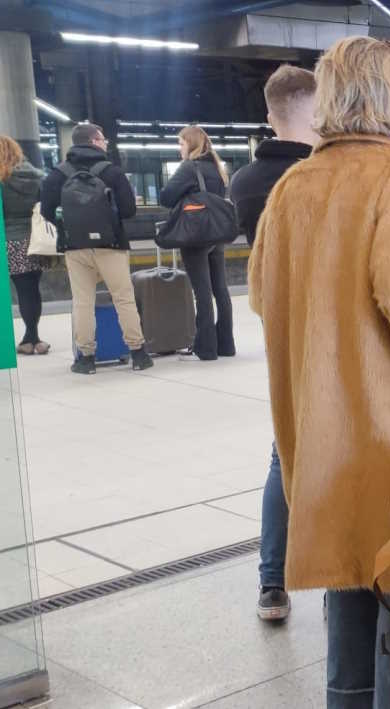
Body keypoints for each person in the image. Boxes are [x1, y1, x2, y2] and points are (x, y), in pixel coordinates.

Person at [248, 36, 390, 708]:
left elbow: (264, 294)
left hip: (315, 432)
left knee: (347, 595)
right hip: (385, 433)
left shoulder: (294, 183)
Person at [230, 64, 318, 623]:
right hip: (333, 328)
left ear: (270, 114)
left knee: (283, 452)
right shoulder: (322, 176)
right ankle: (349, 579)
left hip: (280, 330)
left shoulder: (244, 182)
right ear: (318, 108)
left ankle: (272, 583)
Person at [40, 123, 152, 374]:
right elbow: (129, 210)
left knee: (82, 302)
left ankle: (86, 359)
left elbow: (47, 210)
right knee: (123, 298)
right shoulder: (111, 172)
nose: (105, 143)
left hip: (75, 247)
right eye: (102, 139)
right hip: (111, 245)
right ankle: (139, 354)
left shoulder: (58, 174)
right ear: (93, 141)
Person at [160, 125, 235, 360]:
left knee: (202, 292)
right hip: (216, 235)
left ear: (191, 144)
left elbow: (166, 197)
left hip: (195, 236)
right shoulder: (216, 167)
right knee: (220, 290)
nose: (179, 148)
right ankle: (226, 345)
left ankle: (206, 348)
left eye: (181, 143)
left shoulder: (189, 167)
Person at [0, 136, 50, 355]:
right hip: (34, 240)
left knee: (20, 291)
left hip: (9, 239)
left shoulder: (2, 179)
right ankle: (33, 338)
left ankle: (29, 340)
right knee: (30, 290)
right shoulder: (36, 177)